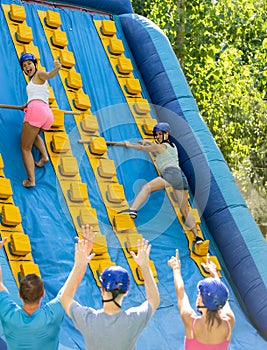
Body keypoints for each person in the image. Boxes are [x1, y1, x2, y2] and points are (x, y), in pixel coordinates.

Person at [60, 224, 160, 350]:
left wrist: (79, 265)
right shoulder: (133, 320)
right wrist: (144, 265)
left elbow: (65, 298)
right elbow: (153, 300)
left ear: (102, 289)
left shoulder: (89, 320)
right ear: (126, 291)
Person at [119, 122, 204, 244]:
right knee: (185, 210)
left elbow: (146, 149)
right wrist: (147, 142)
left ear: (167, 134)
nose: (158, 136)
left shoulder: (162, 146)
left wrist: (129, 145)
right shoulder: (172, 146)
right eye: (157, 134)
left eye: (160, 134)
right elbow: (153, 147)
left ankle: (133, 209)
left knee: (146, 187)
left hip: (171, 174)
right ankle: (197, 236)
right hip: (180, 177)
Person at [0, 237, 65, 350]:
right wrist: (82, 261)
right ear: (43, 293)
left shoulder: (9, 314)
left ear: (19, 294)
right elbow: (68, 290)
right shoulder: (51, 316)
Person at [168, 250, 235, 349]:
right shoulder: (229, 321)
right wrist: (214, 273)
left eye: (199, 294)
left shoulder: (191, 321)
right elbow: (221, 295)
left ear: (202, 301)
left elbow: (180, 294)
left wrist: (176, 268)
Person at [19, 53, 61, 188]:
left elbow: (49, 75)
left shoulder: (39, 74)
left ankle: (31, 180)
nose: (27, 67)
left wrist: (57, 68)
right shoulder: (34, 82)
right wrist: (27, 104)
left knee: (25, 148)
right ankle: (44, 157)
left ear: (35, 64)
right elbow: (38, 96)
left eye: (29, 64)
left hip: (36, 111)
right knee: (34, 134)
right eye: (24, 66)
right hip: (46, 113)